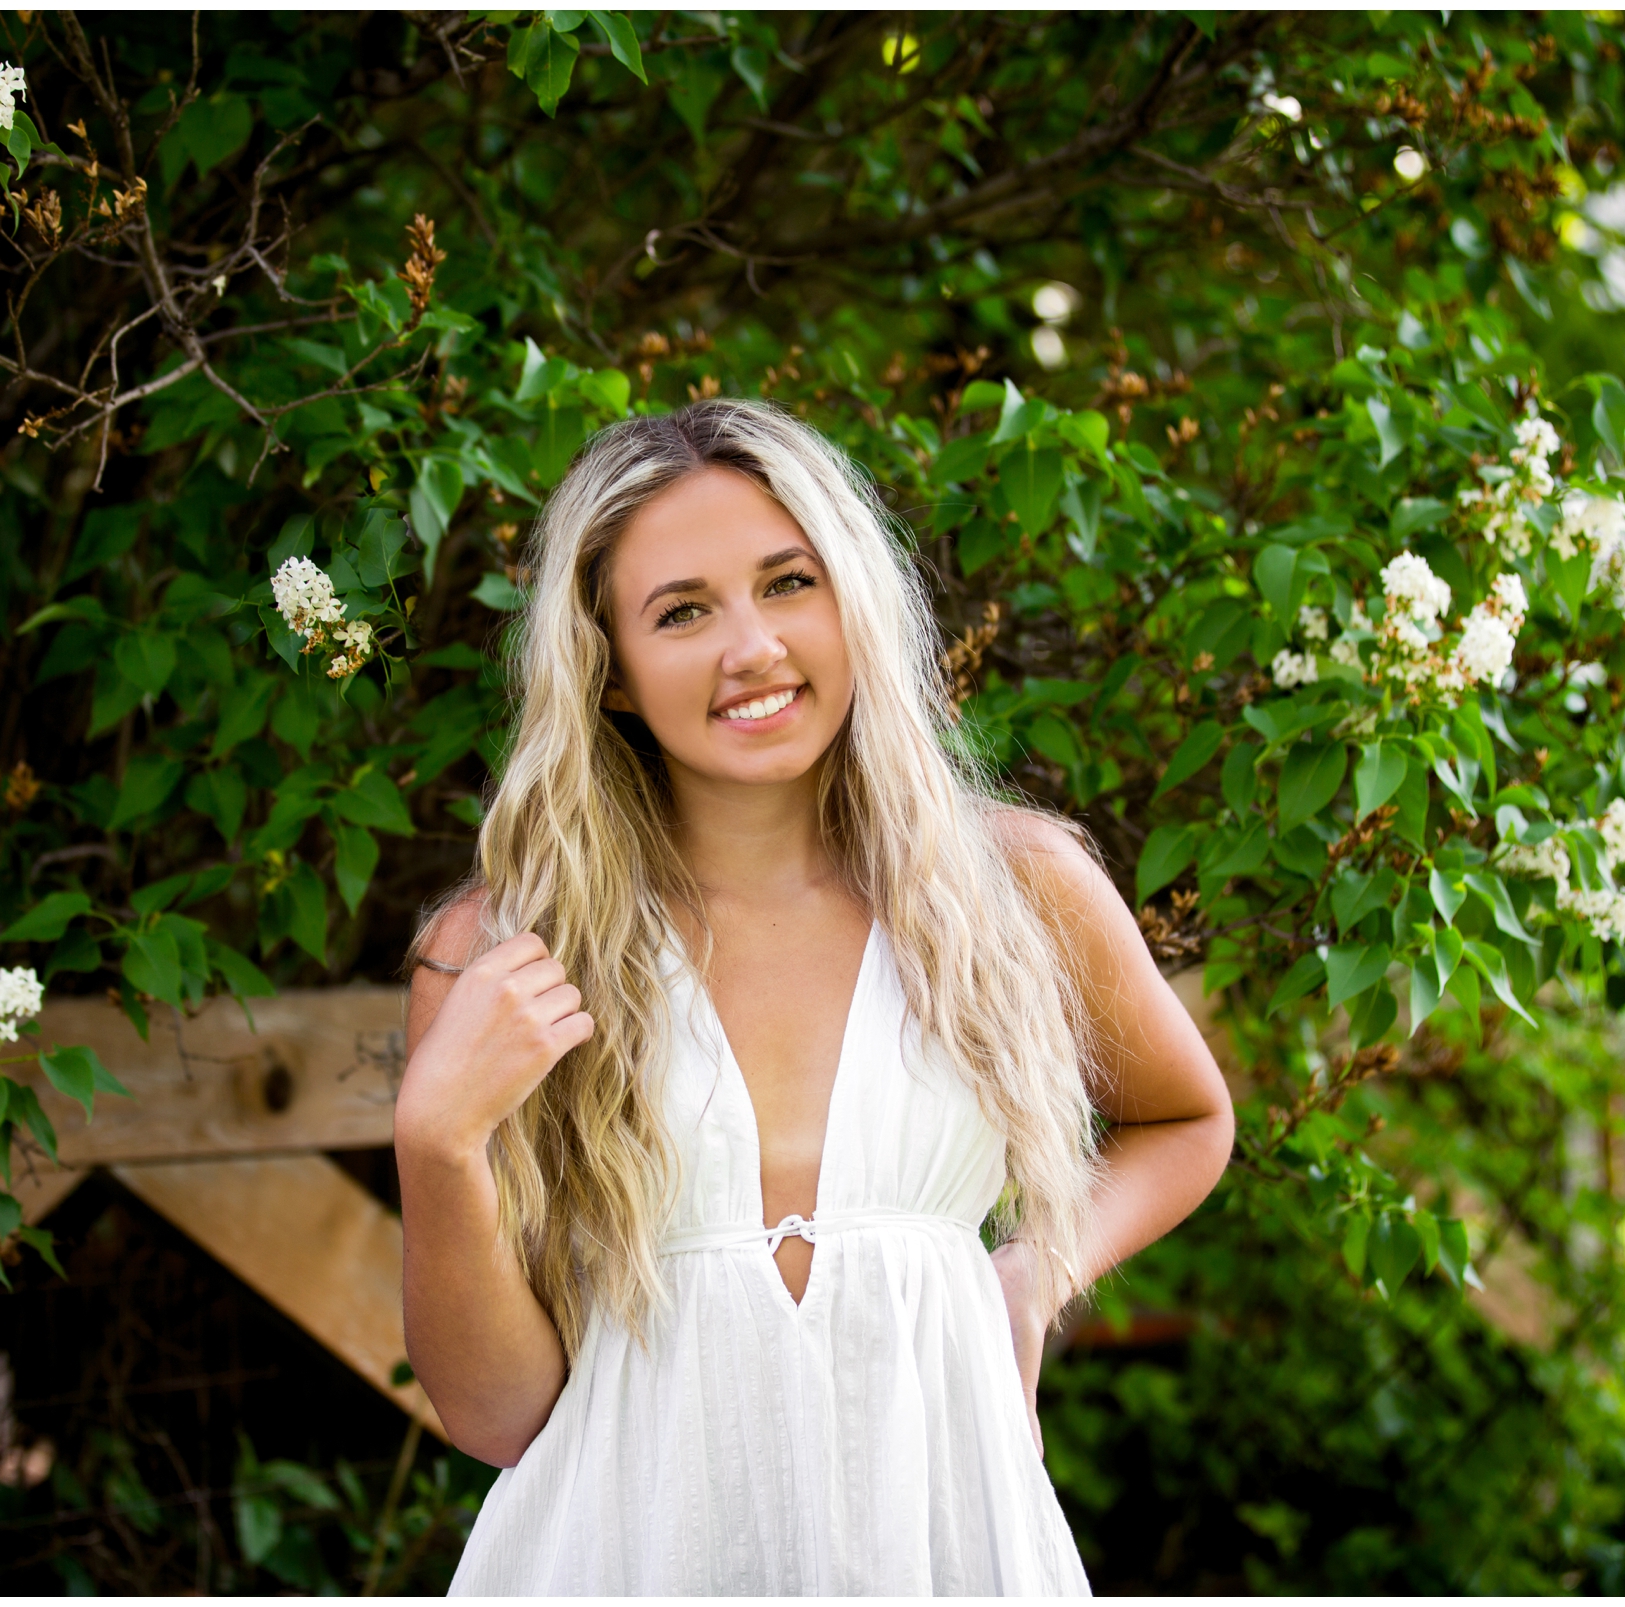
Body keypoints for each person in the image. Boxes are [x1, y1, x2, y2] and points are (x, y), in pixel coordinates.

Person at [396, 398, 1233, 1595]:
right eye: (682, 610)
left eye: (789, 582)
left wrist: (1035, 1272)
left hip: (949, 1549)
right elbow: (497, 1414)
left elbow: (1189, 1119)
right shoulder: (511, 955)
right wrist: (439, 1141)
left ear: (854, 600)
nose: (752, 647)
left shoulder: (1012, 887)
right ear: (613, 673)